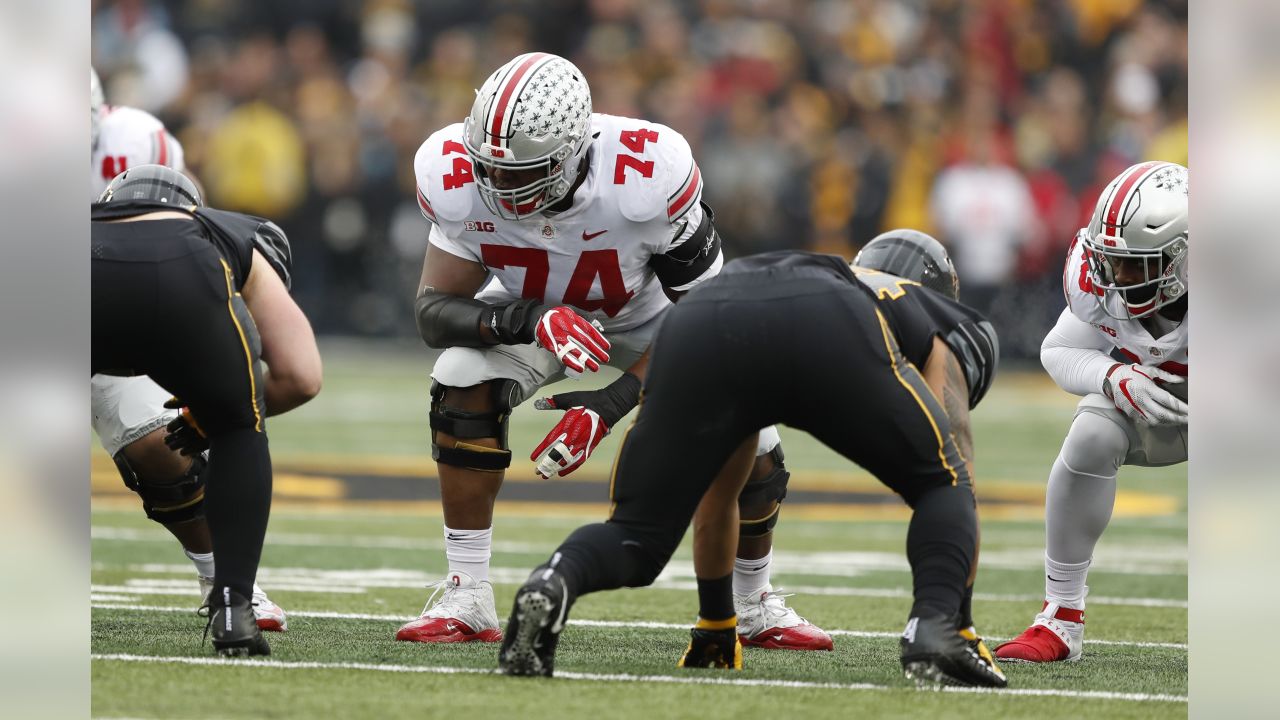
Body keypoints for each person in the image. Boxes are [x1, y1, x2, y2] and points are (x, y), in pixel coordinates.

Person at [397, 51, 831, 651]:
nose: (494, 185)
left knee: (754, 438)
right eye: (486, 169)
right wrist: (531, 317)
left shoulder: (647, 173)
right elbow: (433, 312)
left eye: (517, 173)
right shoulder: (454, 173)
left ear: (573, 152)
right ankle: (466, 594)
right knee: (460, 376)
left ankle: (753, 602)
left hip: (660, 323)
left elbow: (714, 324)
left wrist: (611, 403)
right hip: (544, 320)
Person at [496, 230, 1008, 689]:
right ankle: (935, 632)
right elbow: (954, 453)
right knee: (943, 481)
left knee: (638, 532)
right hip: (829, 319)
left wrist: (717, 625)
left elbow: (720, 495)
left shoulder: (822, 267)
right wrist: (957, 621)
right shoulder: (939, 312)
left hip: (702, 314)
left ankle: (553, 581)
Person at [92, 165, 322, 655]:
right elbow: (301, 377)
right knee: (241, 424)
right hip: (182, 270)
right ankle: (233, 607)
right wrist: (212, 416)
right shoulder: (226, 230)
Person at [89, 68, 289, 630]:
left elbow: (179, 214)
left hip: (121, 299)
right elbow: (299, 377)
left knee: (159, 447)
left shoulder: (136, 138)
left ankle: (219, 579)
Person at [995, 161, 1188, 663]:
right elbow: (1056, 350)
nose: (1117, 277)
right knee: (1092, 434)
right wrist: (1113, 377)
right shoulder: (1098, 286)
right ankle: (1060, 617)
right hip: (1158, 408)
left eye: (1137, 264)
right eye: (1112, 260)